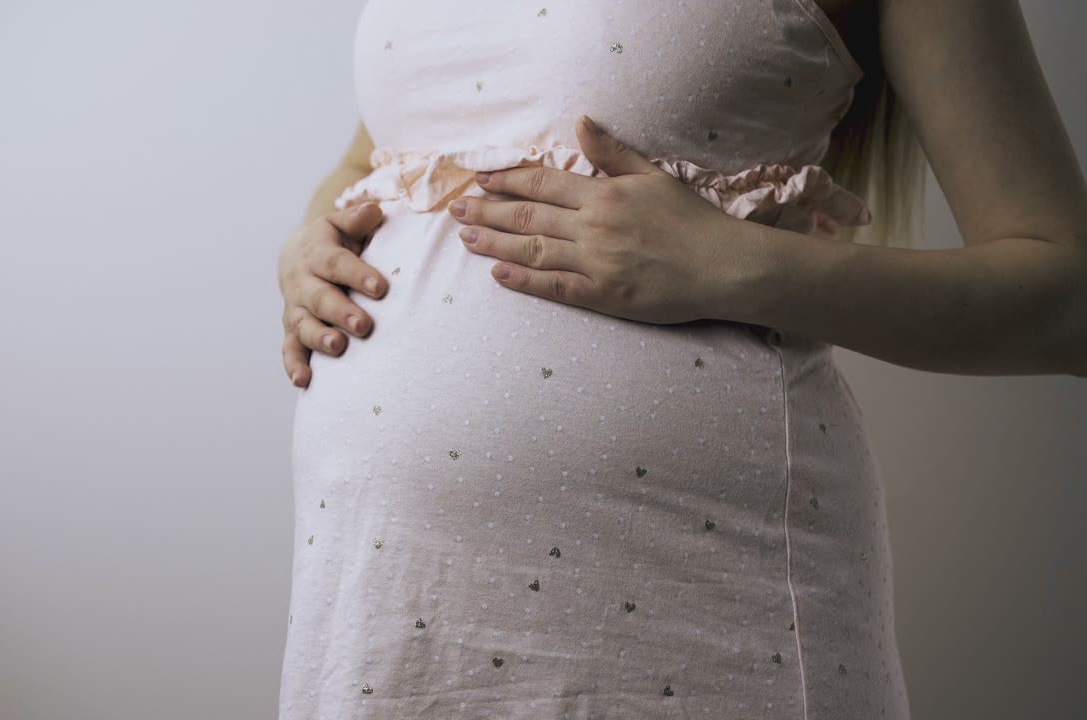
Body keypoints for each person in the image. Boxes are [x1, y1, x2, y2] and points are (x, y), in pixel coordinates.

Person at [275, 1, 1087, 718]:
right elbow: (385, 157)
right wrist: (314, 239)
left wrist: (725, 263)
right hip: (390, 599)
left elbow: (1067, 302)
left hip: (700, 597)